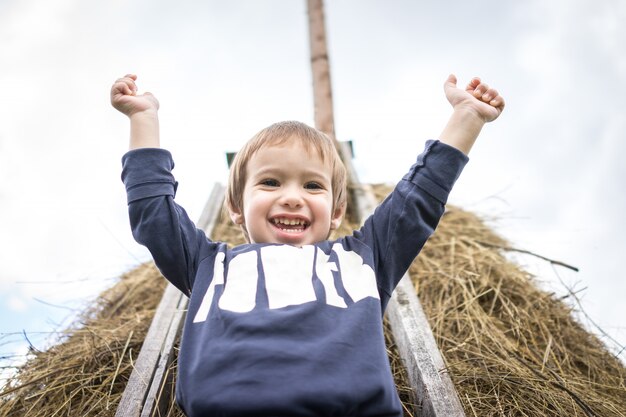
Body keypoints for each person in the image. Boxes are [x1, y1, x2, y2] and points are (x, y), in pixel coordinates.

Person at [111, 73, 504, 417]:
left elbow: (417, 199)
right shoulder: (207, 265)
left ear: (335, 212)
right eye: (270, 182)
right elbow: (152, 211)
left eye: (312, 185)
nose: (293, 197)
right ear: (235, 206)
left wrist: (467, 117)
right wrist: (143, 119)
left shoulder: (362, 259)